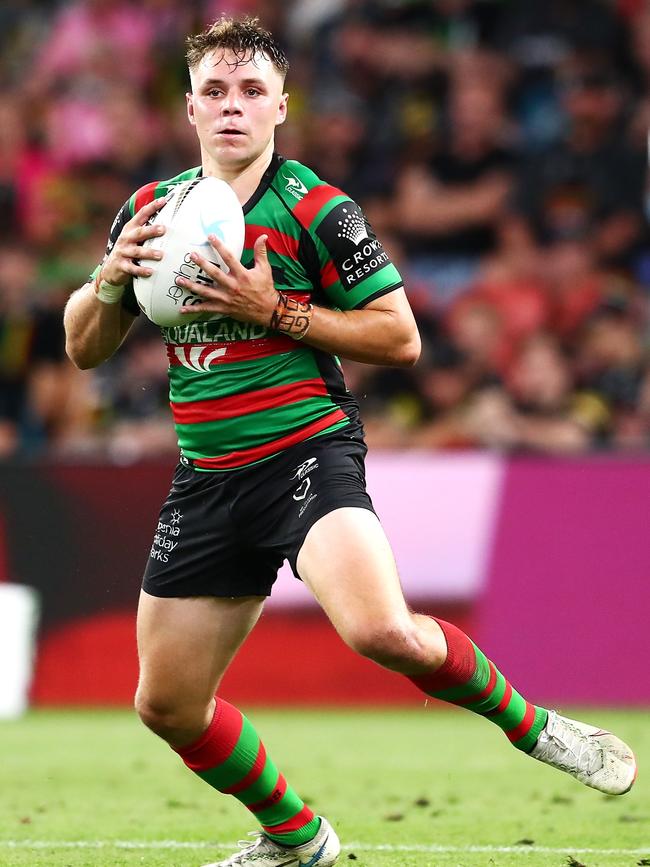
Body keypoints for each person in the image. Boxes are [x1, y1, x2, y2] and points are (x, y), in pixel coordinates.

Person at [63, 17, 637, 867]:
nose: (232, 108)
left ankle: (539, 728)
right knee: (167, 704)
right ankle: (298, 837)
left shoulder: (317, 209)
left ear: (280, 106)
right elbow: (84, 347)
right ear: (188, 108)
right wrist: (109, 277)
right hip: (206, 477)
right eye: (215, 92)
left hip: (304, 454)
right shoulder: (149, 211)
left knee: (382, 632)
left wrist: (276, 311)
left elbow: (400, 337)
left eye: (251, 92)